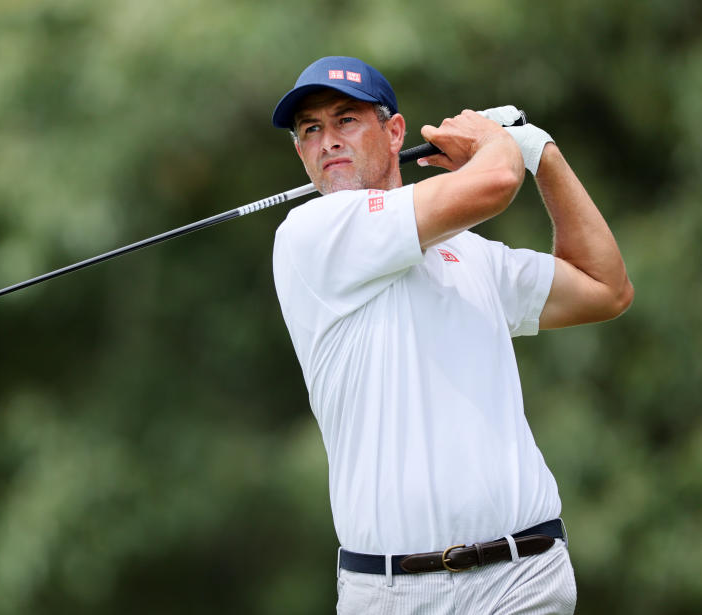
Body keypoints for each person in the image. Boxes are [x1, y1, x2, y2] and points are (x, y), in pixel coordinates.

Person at [270, 56, 633, 614]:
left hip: (524, 577)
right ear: (301, 153)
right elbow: (495, 181)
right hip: (390, 592)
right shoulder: (311, 235)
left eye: (346, 120)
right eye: (311, 130)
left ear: (395, 133)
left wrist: (544, 155)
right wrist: (497, 144)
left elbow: (605, 287)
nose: (328, 141)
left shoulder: (472, 254)